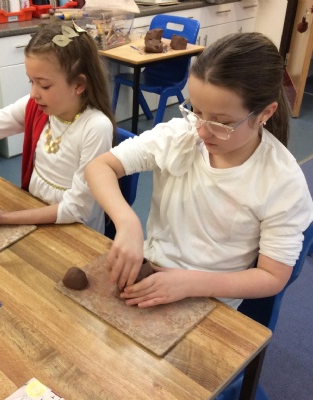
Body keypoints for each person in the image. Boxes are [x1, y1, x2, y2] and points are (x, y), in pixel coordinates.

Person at [85, 32, 313, 309]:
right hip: (152, 273)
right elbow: (100, 167)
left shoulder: (281, 181)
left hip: (212, 299)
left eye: (221, 122)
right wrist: (127, 222)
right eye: (196, 111)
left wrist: (191, 283)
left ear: (265, 113)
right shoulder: (178, 136)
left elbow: (272, 276)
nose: (202, 131)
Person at [0, 22, 115, 234]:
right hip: (34, 213)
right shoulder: (36, 108)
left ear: (78, 85)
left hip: (77, 231)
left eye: (44, 85)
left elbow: (76, 209)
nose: (34, 93)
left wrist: (3, 218)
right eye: (31, 82)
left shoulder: (95, 127)